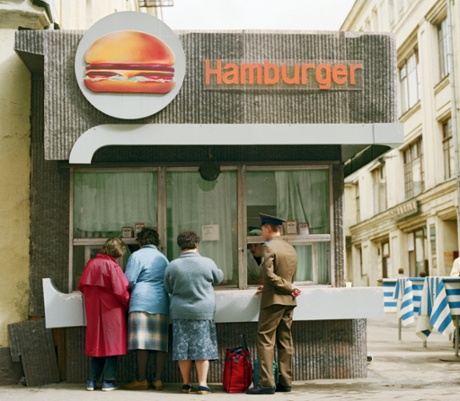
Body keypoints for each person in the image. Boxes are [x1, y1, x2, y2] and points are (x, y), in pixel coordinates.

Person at [246, 214, 301, 395]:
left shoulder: (268, 248)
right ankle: (285, 381)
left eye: (262, 230)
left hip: (274, 301)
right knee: (285, 340)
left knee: (265, 339)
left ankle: (266, 382)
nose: (261, 234)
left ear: (268, 228)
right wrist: (289, 288)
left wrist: (288, 287)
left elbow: (269, 275)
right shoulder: (290, 248)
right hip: (288, 301)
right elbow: (287, 275)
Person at [164, 230, 224, 395]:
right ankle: (203, 384)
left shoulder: (173, 265)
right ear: (197, 244)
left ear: (179, 246)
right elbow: (219, 278)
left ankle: (185, 384)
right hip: (203, 312)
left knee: (182, 348)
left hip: (180, 311)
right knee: (202, 347)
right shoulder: (207, 263)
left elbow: (168, 288)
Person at [77, 237, 129, 392]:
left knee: (97, 345)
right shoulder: (112, 266)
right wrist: (128, 304)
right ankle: (108, 381)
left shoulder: (91, 264)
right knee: (112, 345)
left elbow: (82, 286)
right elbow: (121, 291)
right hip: (112, 310)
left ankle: (91, 381)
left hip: (93, 309)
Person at [123, 227, 170, 391]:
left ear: (140, 242)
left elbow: (128, 280)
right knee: (159, 343)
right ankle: (158, 380)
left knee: (142, 343)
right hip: (161, 302)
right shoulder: (163, 258)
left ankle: (141, 379)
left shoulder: (136, 255)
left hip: (141, 301)